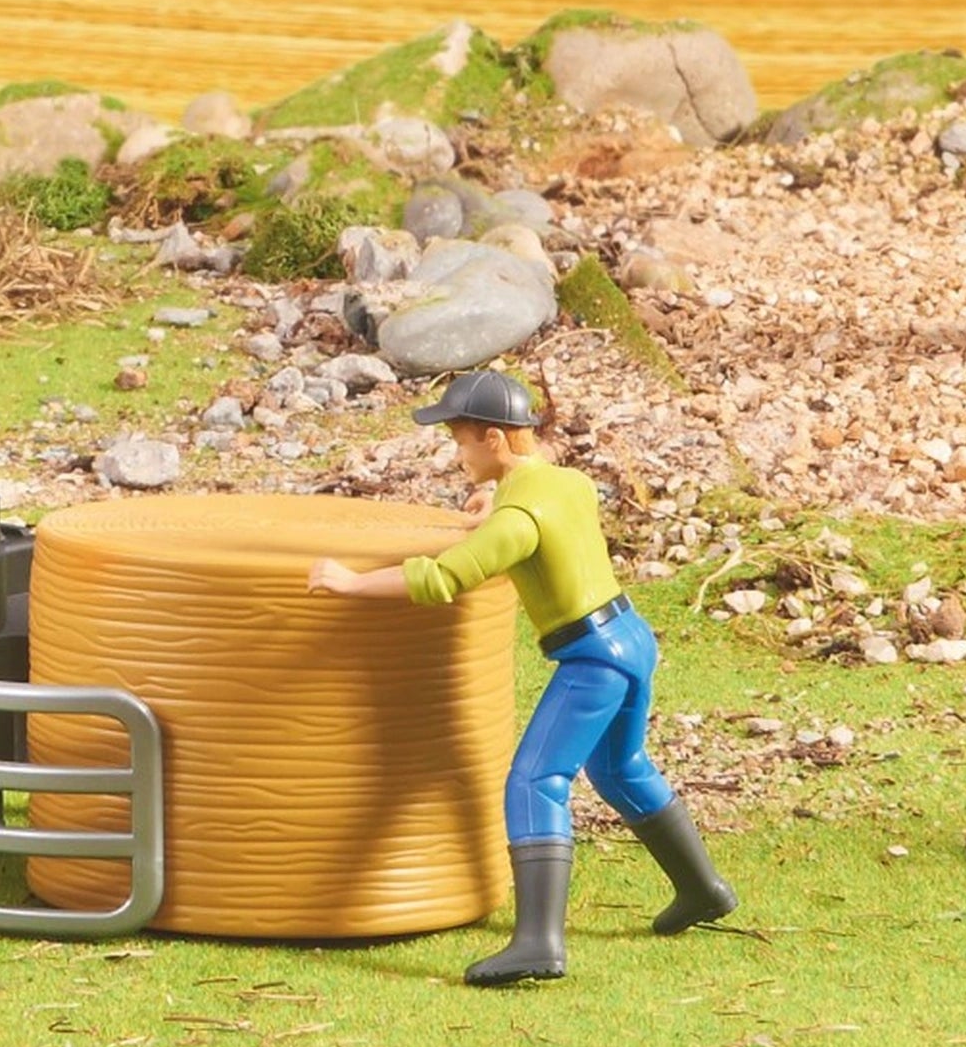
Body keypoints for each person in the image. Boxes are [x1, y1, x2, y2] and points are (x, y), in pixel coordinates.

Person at [305, 366, 736, 986]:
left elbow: (443, 577)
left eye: (460, 441)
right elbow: (549, 494)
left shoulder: (518, 520)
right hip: (632, 639)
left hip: (592, 658)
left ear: (495, 440)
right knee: (620, 768)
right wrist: (501, 496)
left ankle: (538, 942)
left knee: (536, 779)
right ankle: (703, 889)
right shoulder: (563, 483)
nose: (456, 456)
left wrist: (351, 582)